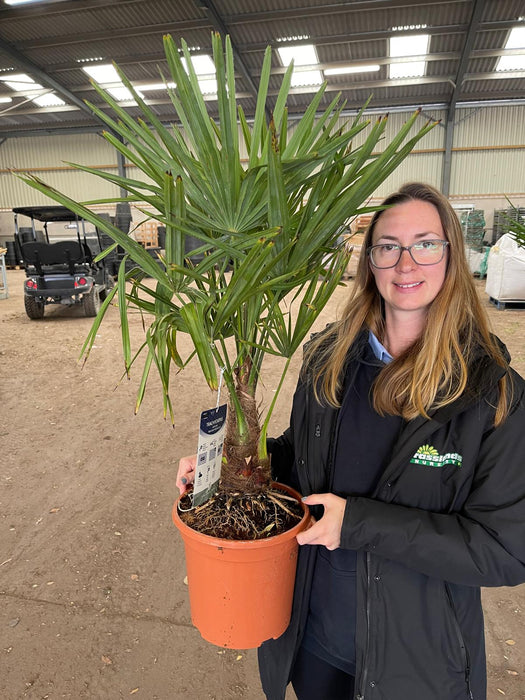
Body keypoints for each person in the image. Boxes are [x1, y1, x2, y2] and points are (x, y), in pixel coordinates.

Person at [177, 182, 525, 700]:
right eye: (388, 246)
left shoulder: (491, 393)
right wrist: (229, 473)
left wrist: (359, 525)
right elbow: (301, 457)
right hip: (312, 642)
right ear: (370, 262)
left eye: (425, 243)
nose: (406, 263)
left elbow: (504, 551)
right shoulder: (327, 360)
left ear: (452, 256)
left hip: (416, 665)